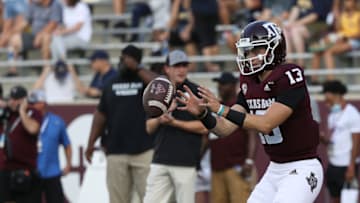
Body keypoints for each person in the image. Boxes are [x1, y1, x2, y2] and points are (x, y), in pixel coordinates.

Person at [177, 20, 323, 203]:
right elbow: (224, 129)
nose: (251, 56)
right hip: (275, 168)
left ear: (274, 49)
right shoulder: (249, 82)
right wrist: (203, 114)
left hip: (303, 166)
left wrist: (221, 108)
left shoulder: (289, 75)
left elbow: (266, 124)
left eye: (257, 50)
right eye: (248, 51)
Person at [85, 45, 157, 203]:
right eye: (122, 59)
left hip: (143, 150)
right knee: (117, 200)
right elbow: (101, 114)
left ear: (136, 61)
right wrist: (91, 143)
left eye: (127, 59)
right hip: (116, 151)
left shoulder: (144, 81)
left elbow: (161, 86)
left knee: (151, 198)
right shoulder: (111, 83)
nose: (123, 62)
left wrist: (137, 69)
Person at [143, 50, 208, 203]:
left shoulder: (195, 92)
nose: (181, 69)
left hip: (186, 161)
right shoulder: (158, 91)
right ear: (167, 68)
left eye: (184, 65)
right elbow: (149, 127)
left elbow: (205, 127)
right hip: (160, 159)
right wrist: (161, 116)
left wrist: (175, 122)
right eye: (177, 65)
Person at [210, 72, 257, 203]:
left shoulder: (239, 105)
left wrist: (249, 161)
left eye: (223, 84)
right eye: (219, 84)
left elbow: (252, 135)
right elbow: (207, 136)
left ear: (233, 85)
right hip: (216, 166)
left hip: (237, 165)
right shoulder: (216, 106)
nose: (219, 87)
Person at [27, 89, 72, 203]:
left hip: (52, 172)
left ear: (42, 104)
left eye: (33, 103)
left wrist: (68, 164)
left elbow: (67, 144)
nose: (31, 106)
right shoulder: (27, 120)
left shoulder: (56, 121)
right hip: (32, 171)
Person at [0, 85, 43, 203]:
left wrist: (22, 111)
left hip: (26, 168)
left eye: (16, 99)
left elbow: (33, 129)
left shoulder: (33, 113)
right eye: (11, 99)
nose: (12, 102)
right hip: (6, 168)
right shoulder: (6, 114)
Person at [321, 80, 360, 203]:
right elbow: (332, 139)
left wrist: (351, 166)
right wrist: (322, 139)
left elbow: (357, 141)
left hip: (346, 164)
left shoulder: (352, 113)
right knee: (334, 197)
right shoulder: (332, 114)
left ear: (336, 94)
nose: (325, 98)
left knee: (348, 199)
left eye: (327, 94)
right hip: (334, 162)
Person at [7, 0, 62, 76]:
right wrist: (12, 32)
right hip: (33, 35)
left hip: (49, 35)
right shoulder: (33, 4)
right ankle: (12, 71)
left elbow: (53, 24)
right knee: (14, 39)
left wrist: (40, 35)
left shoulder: (55, 5)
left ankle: (46, 70)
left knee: (46, 38)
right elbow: (25, 22)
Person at [310, 0, 360, 82]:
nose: (347, 3)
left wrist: (345, 37)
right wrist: (337, 17)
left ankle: (330, 80)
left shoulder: (358, 15)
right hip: (341, 39)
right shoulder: (343, 15)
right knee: (317, 51)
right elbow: (338, 29)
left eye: (349, 1)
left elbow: (358, 34)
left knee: (328, 52)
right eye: (346, 1)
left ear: (355, 3)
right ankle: (314, 80)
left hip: (354, 41)